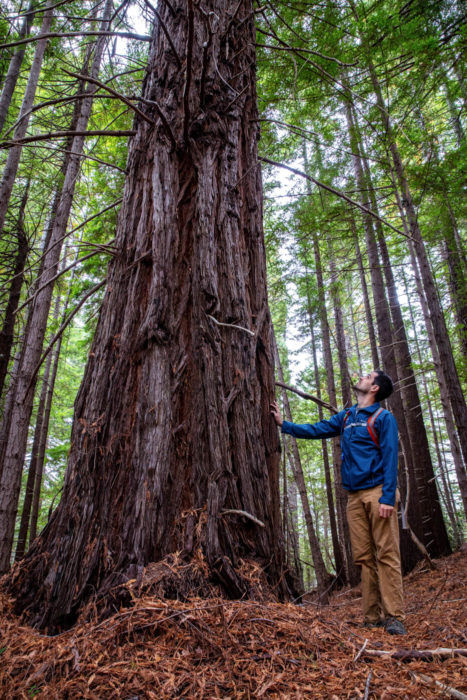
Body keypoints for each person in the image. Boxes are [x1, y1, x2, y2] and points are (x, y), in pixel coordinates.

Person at [271, 370, 406, 635]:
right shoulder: (347, 416)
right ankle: (372, 616)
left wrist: (388, 497)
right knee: (365, 557)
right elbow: (318, 429)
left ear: (375, 388)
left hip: (379, 492)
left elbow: (391, 457)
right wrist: (283, 424)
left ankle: (394, 617)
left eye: (368, 375)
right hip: (354, 496)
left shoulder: (383, 418)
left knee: (387, 554)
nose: (362, 377)